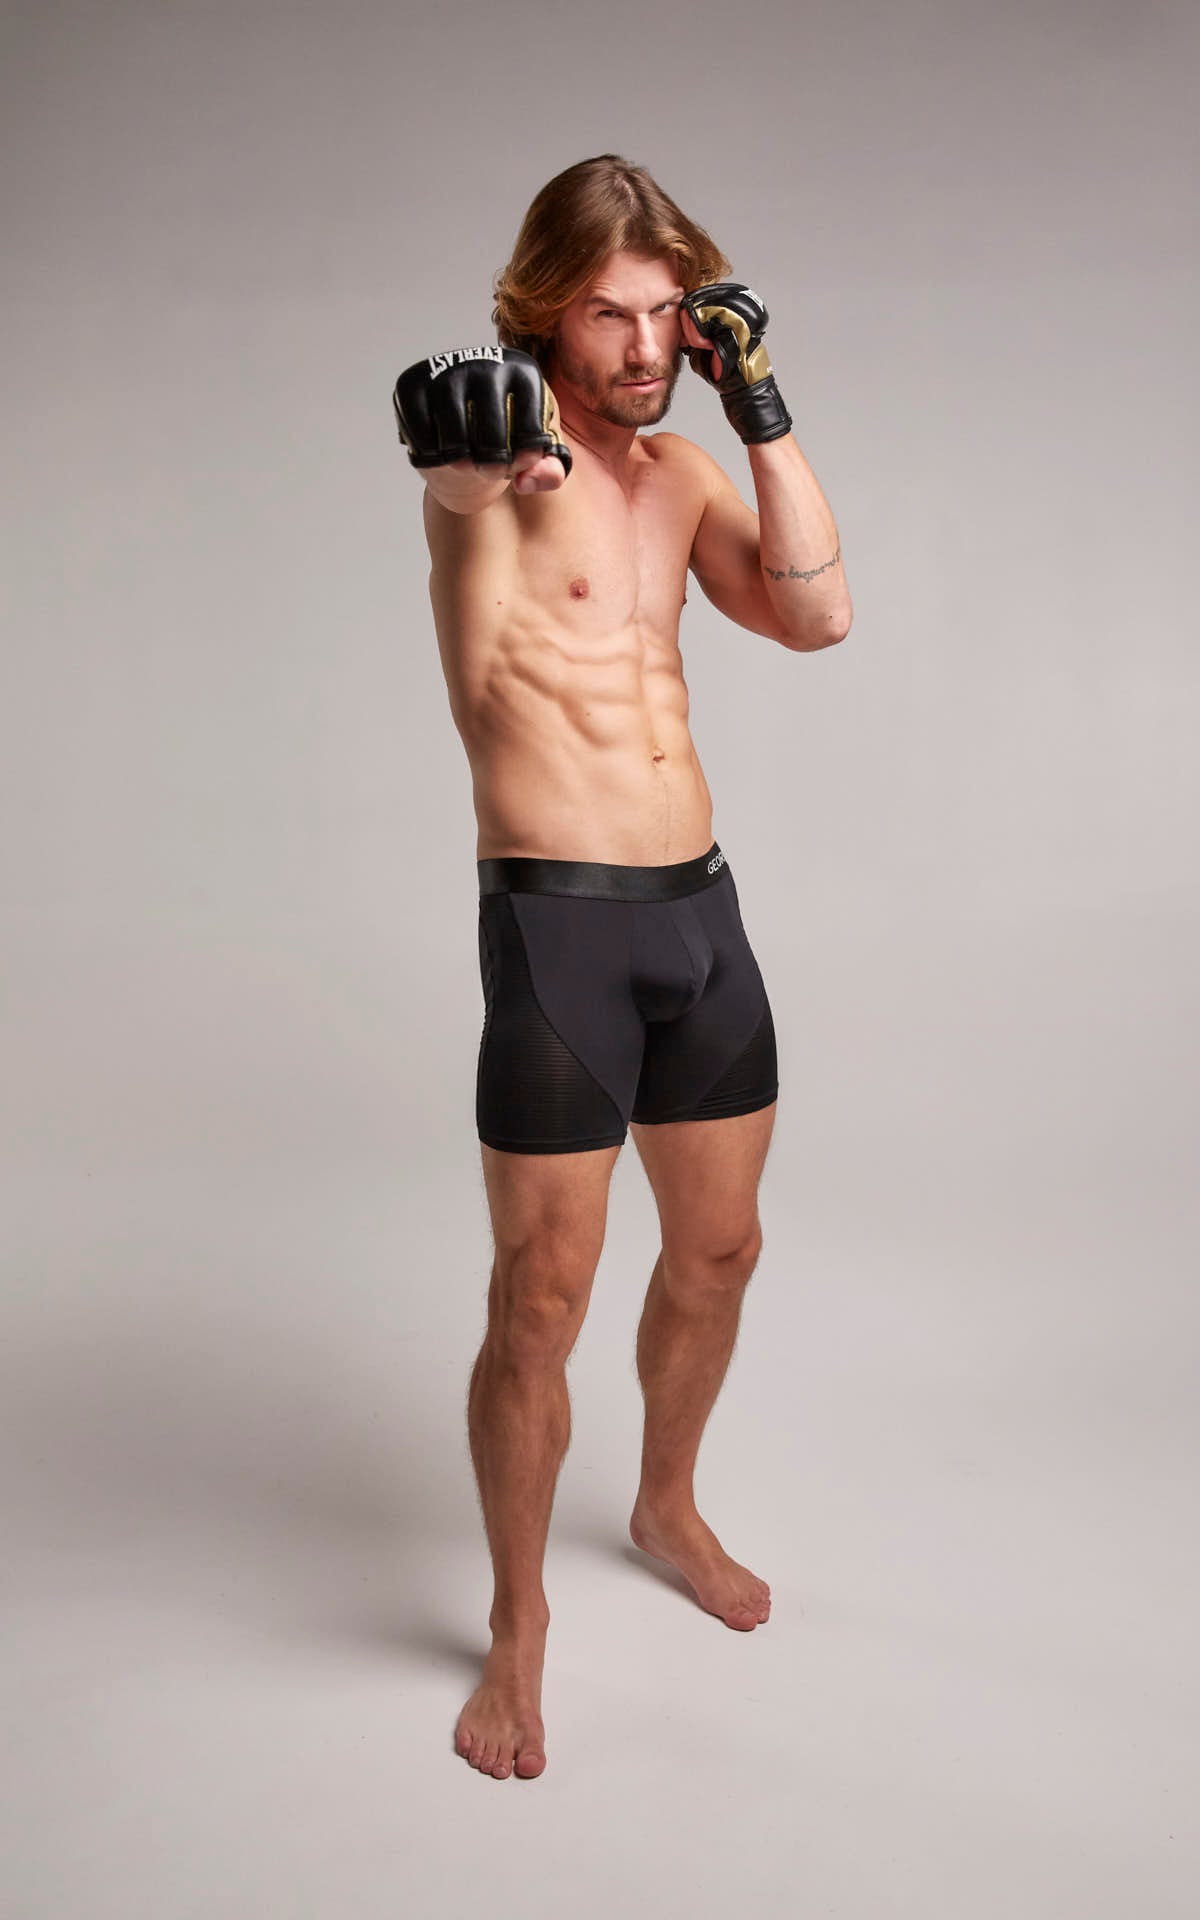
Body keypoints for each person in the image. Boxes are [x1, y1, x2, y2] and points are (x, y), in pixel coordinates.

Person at [391, 154, 852, 1782]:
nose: (645, 343)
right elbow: (459, 482)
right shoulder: (501, 468)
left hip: (698, 920)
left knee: (719, 1253)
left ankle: (664, 1504)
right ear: (543, 312)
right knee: (540, 1300)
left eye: (667, 313)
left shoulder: (682, 477)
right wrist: (455, 441)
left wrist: (762, 409)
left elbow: (817, 618)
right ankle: (517, 1628)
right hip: (560, 927)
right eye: (608, 312)